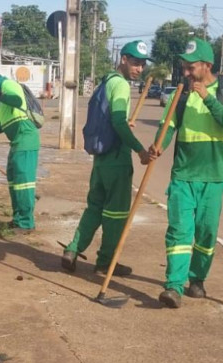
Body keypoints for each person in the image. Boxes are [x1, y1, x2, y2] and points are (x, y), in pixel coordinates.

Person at [149, 37, 223, 308]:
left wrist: (207, 98)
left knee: (206, 233)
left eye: (191, 67)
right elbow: (167, 126)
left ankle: (197, 279)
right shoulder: (180, 95)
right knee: (179, 231)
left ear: (207, 65)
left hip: (214, 176)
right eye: (184, 67)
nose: (186, 72)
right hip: (183, 175)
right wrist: (157, 146)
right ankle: (173, 286)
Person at [61, 41, 153, 276]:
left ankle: (72, 249)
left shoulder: (106, 82)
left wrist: (122, 125)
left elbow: (112, 120)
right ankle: (105, 262)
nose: (139, 69)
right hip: (117, 159)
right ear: (123, 59)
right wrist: (140, 150)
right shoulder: (120, 85)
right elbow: (118, 121)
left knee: (94, 208)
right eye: (135, 63)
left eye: (142, 65)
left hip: (100, 159)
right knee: (116, 214)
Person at [0, 70, 39, 233]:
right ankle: (18, 219)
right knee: (13, 181)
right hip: (16, 142)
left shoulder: (8, 85)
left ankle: (26, 223)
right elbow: (3, 125)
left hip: (25, 139)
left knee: (23, 183)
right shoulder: (0, 101)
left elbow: (17, 100)